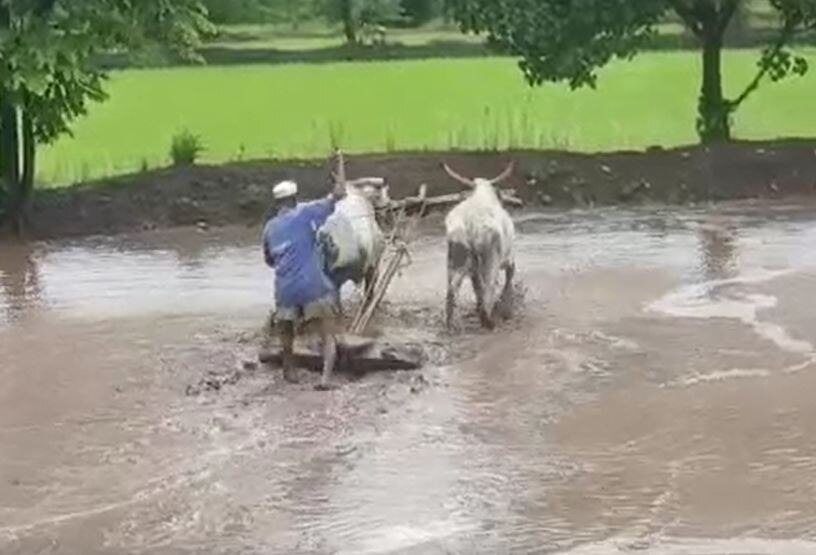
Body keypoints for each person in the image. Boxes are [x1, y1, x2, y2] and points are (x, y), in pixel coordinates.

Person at [262, 178, 346, 390]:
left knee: (286, 333)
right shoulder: (305, 213)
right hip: (313, 286)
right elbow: (334, 197)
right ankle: (325, 379)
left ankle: (289, 371)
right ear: (294, 199)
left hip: (285, 289)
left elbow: (269, 261)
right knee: (328, 334)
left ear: (276, 203)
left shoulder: (269, 228)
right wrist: (339, 179)